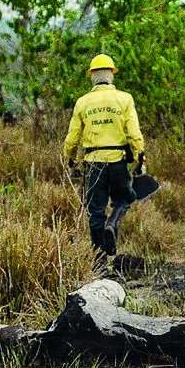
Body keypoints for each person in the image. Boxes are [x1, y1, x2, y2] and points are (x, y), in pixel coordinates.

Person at [62, 54, 146, 259]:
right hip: (118, 159)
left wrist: (71, 159)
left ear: (92, 76)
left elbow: (72, 138)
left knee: (95, 210)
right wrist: (139, 158)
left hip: (93, 163)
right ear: (111, 74)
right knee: (124, 199)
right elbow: (134, 134)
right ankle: (112, 225)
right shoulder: (125, 99)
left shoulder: (82, 102)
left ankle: (99, 260)